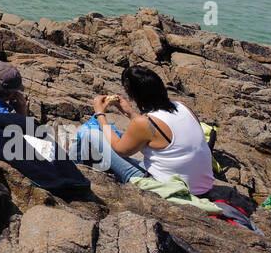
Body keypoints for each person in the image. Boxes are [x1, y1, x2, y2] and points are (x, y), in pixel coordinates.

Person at [71, 64, 215, 195]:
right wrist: (130, 114)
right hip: (203, 188)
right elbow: (156, 131)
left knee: (91, 134)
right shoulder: (183, 107)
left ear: (134, 96)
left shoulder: (143, 123)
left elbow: (120, 149)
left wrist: (100, 114)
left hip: (168, 189)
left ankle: (73, 173)